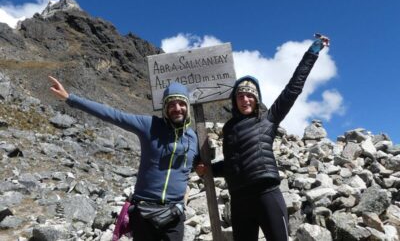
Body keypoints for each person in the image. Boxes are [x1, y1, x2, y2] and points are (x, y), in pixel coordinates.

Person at [196, 35, 330, 241]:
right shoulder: (230, 128)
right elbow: (233, 163)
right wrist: (210, 170)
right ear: (235, 101)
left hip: (267, 193)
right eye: (240, 96)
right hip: (239, 200)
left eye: (249, 95)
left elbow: (293, 88)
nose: (245, 99)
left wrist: (312, 53)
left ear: (256, 99)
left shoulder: (268, 119)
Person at [49, 76, 199, 241]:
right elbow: (113, 115)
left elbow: (197, 166)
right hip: (144, 214)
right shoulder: (150, 125)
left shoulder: (193, 138)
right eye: (171, 104)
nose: (177, 108)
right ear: (165, 108)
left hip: (173, 216)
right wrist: (70, 98)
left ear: (188, 107)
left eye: (182, 103)